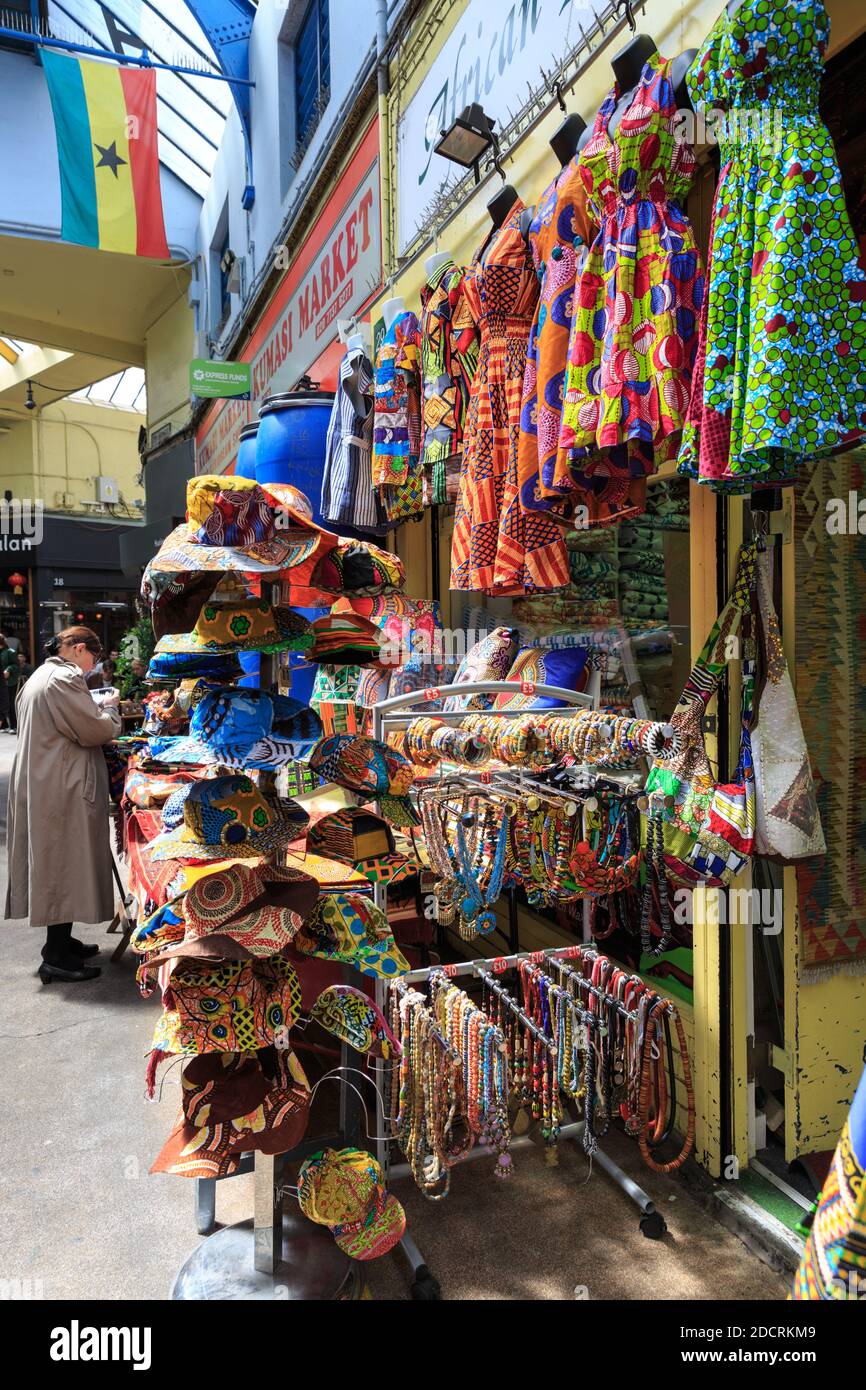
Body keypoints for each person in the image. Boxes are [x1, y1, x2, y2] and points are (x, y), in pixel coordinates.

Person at [5, 625, 121, 983]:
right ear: (80, 649)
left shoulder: (42, 675)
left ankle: (61, 944)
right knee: (62, 865)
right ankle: (55, 956)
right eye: (92, 659)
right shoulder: (63, 678)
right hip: (59, 786)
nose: (91, 667)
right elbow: (94, 730)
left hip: (47, 781)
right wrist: (112, 712)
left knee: (58, 864)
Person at [5, 649, 33, 733]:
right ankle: (12, 726)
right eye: (18, 656)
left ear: (24, 658)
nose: (19, 658)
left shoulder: (29, 667)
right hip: (14, 689)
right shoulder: (14, 668)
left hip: (25, 689)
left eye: (21, 656)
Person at [0, 635, 15, 731]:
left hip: (9, 681)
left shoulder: (10, 652)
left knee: (9, 703)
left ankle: (13, 725)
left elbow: (15, 665)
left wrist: (9, 670)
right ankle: (4, 725)